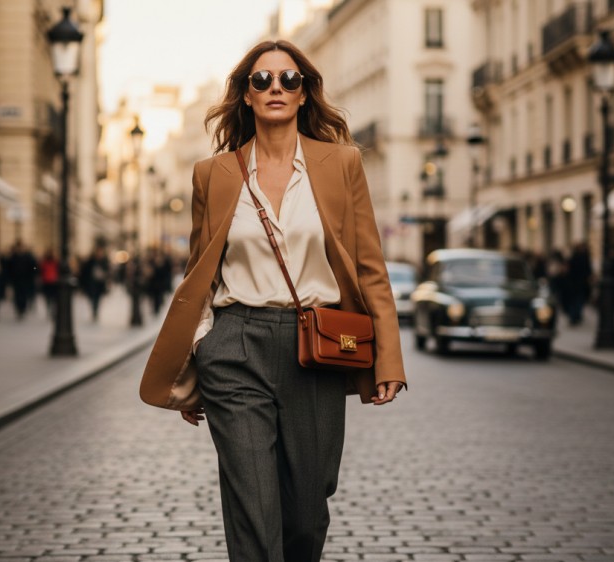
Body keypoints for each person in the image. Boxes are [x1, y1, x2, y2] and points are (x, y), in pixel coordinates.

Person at [138, 40, 406, 562]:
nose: (276, 88)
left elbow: (370, 268)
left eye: (289, 80)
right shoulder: (212, 174)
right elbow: (202, 275)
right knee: (253, 505)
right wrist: (195, 358)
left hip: (318, 348)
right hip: (234, 349)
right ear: (245, 95)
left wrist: (388, 358)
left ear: (305, 94)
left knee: (308, 507)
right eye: (262, 81)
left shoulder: (341, 163)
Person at [7, 240, 38, 320]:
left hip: (26, 279)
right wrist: (10, 278)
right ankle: (19, 309)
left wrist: (34, 274)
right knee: (17, 295)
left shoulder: (28, 256)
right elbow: (9, 268)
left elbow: (34, 266)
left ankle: (23, 309)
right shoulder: (13, 257)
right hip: (16, 279)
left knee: (24, 295)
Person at [79, 245, 111, 321]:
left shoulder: (104, 261)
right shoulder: (91, 261)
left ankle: (96, 311)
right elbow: (85, 272)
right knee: (92, 298)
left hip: (100, 283)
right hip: (92, 284)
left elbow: (107, 272)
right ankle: (94, 310)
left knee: (98, 299)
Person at [565, 242, 593, 325]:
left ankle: (574, 316)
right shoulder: (583, 257)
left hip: (576, 284)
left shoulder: (575, 257)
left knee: (576, 300)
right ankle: (576, 316)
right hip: (579, 283)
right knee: (578, 300)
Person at [38, 248, 59, 317]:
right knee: (48, 298)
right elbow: (41, 271)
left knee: (52, 298)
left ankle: (52, 310)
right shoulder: (45, 262)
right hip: (47, 282)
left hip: (53, 282)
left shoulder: (55, 262)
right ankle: (49, 309)